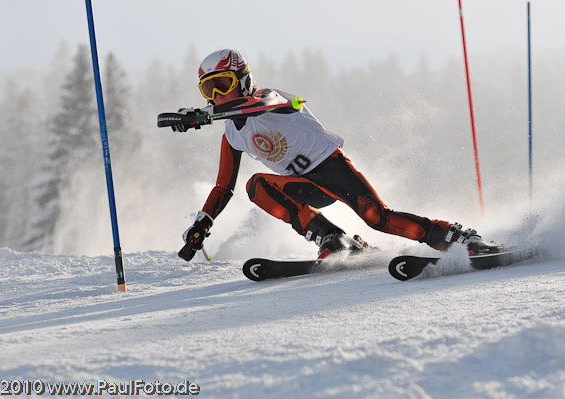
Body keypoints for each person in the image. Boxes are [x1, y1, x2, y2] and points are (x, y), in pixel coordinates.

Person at [175, 49, 499, 261]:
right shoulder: (232, 134)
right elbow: (223, 187)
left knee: (377, 218)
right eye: (209, 89)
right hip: (304, 185)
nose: (218, 95)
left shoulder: (269, 97)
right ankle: (332, 238)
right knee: (256, 185)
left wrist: (203, 114)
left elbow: (254, 105)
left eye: (223, 83)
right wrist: (203, 223)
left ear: (243, 79)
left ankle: (456, 238)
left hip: (332, 168)